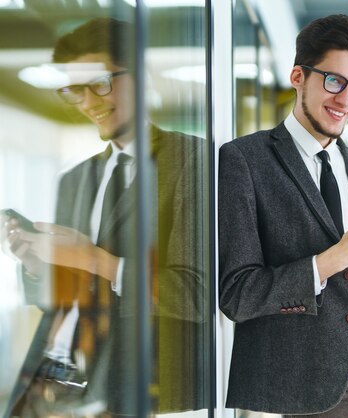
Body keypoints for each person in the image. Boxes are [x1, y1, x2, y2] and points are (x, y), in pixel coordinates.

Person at [219, 14, 348, 418]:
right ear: (298, 75)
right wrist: (335, 258)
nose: (346, 99)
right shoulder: (244, 161)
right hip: (317, 399)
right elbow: (238, 294)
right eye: (333, 81)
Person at [1, 17, 207, 417]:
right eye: (74, 90)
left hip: (137, 385)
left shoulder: (193, 162)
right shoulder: (75, 179)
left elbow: (198, 295)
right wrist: (35, 264)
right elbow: (63, 296)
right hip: (52, 376)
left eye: (100, 83)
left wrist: (93, 258)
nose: (89, 102)